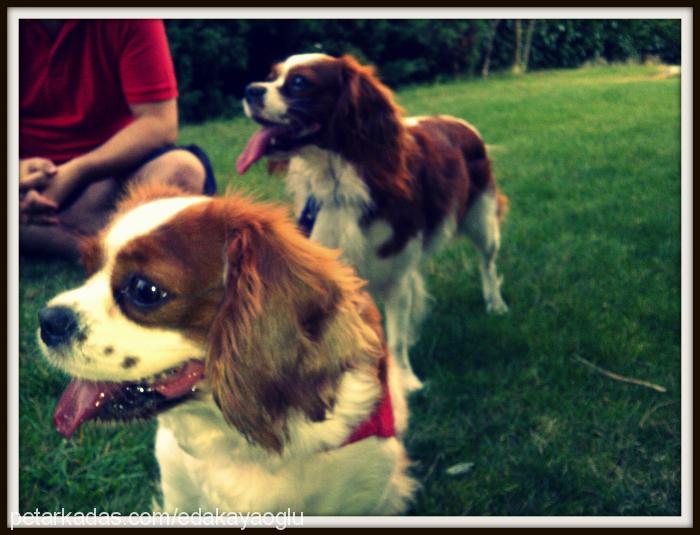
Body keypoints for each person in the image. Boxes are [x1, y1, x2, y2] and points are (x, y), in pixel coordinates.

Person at [19, 19, 216, 260]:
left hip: (107, 180)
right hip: (23, 183)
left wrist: (76, 172)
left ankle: (45, 233)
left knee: (181, 170)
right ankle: (109, 244)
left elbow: (159, 123)